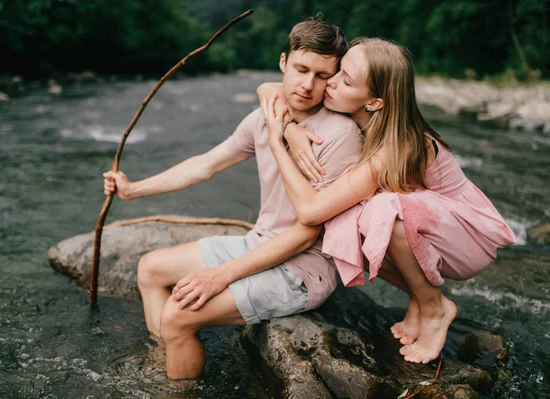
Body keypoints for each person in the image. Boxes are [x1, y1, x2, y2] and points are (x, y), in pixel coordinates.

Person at [102, 16, 363, 379]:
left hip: (303, 270)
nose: (307, 85)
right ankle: (168, 355)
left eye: (322, 76)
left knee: (178, 317)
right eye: (301, 69)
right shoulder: (265, 117)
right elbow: (205, 164)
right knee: (150, 268)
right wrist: (133, 189)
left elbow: (308, 233)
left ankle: (176, 380)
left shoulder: (340, 135)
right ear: (283, 63)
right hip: (260, 244)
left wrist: (220, 276)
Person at [249, 37, 516, 364]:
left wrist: (279, 143)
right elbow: (268, 87)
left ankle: (434, 309)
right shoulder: (365, 119)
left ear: (374, 102)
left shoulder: (398, 146)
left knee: (383, 209)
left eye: (345, 80)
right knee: (345, 220)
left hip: (467, 238)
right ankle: (419, 298)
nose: (329, 82)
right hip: (431, 228)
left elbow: (310, 211)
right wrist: (290, 128)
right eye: (338, 71)